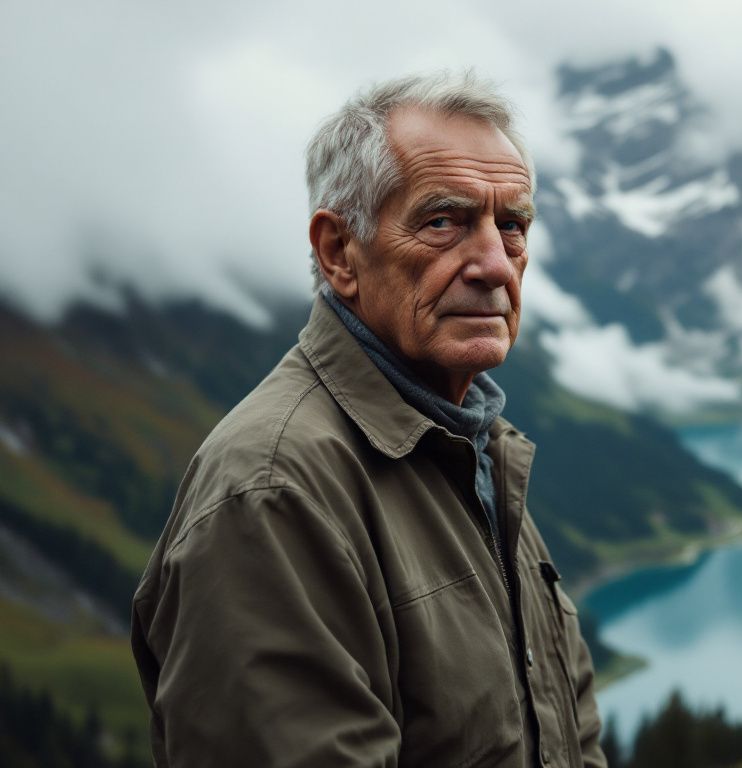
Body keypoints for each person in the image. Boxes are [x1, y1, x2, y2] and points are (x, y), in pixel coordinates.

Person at [131, 71, 606, 768]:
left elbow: (571, 736)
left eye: (513, 226)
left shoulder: (469, 448)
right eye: (444, 220)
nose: (494, 264)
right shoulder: (273, 492)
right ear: (338, 252)